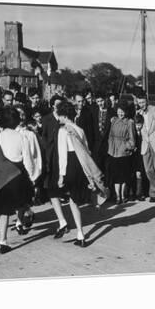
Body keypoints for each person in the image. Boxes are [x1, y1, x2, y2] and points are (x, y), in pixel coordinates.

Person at [0, 108, 35, 253]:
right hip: (18, 172)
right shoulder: (21, 137)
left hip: (2, 173)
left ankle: (2, 241)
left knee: (3, 209)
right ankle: (23, 220)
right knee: (22, 201)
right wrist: (32, 177)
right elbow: (28, 160)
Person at [56, 101, 94, 247]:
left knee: (73, 200)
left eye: (59, 115)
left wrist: (61, 175)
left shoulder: (63, 130)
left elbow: (62, 155)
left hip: (70, 164)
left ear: (64, 116)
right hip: (81, 165)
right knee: (75, 199)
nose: (58, 118)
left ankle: (80, 233)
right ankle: (80, 233)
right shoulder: (80, 129)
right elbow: (87, 151)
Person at [108, 102, 136, 204]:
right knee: (115, 176)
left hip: (123, 152)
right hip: (113, 151)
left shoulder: (129, 122)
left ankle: (123, 195)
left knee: (123, 175)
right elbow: (110, 135)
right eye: (119, 111)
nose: (121, 113)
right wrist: (110, 148)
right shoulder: (114, 120)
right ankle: (118, 196)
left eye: (123, 111)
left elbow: (132, 139)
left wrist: (126, 147)